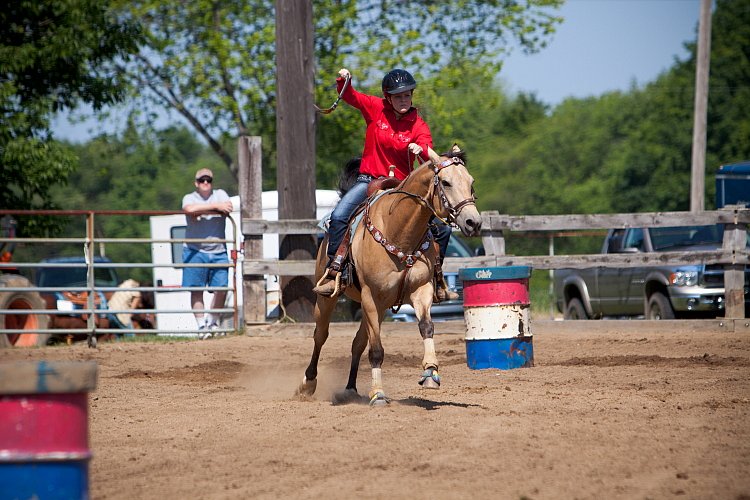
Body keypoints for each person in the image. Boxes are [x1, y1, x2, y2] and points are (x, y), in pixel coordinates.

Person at [312, 67, 456, 301]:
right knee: (339, 216)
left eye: (407, 95)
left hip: (402, 187)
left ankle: (437, 278)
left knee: (444, 228)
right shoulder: (375, 108)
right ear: (388, 97)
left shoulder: (418, 125)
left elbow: (429, 152)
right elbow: (351, 96)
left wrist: (422, 149)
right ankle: (334, 270)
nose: (403, 100)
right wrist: (343, 79)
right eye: (398, 96)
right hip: (368, 180)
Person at [182, 168, 233, 338]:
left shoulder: (221, 194)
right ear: (196, 183)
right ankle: (201, 326)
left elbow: (228, 206)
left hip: (218, 250)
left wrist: (202, 210)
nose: (205, 183)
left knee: (222, 287)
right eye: (202, 180)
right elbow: (189, 209)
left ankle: (213, 323)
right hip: (194, 250)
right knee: (196, 289)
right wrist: (215, 207)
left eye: (208, 180)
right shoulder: (189, 197)